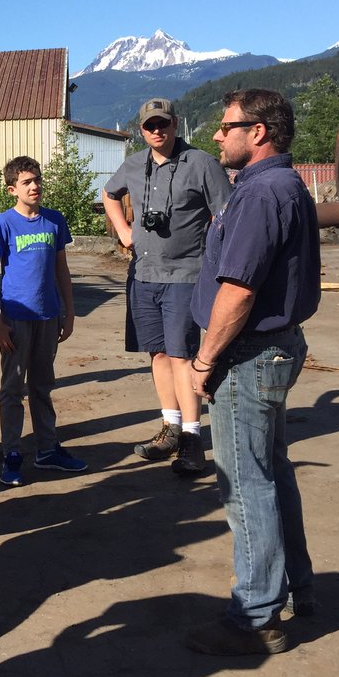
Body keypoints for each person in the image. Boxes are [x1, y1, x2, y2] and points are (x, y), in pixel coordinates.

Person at [184, 88, 320, 656]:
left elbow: (238, 292)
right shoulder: (281, 185)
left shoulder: (263, 193)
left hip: (248, 355)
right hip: (272, 350)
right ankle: (295, 588)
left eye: (226, 126)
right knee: (271, 471)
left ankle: (256, 617)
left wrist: (204, 360)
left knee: (245, 484)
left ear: (258, 132)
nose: (217, 135)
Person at [103, 98, 231, 474]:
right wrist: (124, 232)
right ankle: (170, 428)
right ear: (141, 130)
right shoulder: (133, 165)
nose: (156, 130)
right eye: (149, 125)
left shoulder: (202, 164)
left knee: (181, 357)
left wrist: (217, 262)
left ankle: (192, 439)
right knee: (158, 354)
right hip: (143, 276)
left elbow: (226, 215)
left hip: (185, 277)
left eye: (163, 123)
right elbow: (109, 194)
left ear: (175, 124)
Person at [0, 156, 87, 486]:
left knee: (42, 386)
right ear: (12, 189)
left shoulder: (54, 221)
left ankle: (47, 450)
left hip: (48, 316)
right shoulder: (2, 224)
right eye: (27, 182)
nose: (35, 186)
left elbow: (62, 270)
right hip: (16, 319)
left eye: (37, 180)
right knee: (13, 389)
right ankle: (12, 455)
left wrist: (69, 312)